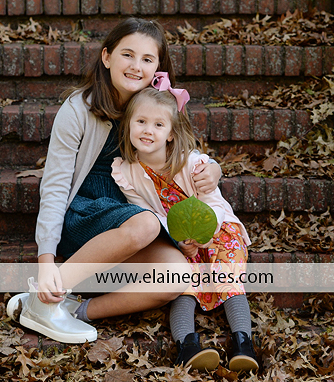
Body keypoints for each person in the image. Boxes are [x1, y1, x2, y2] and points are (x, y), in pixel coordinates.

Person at [6, 18, 222, 344]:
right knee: (146, 224)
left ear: (158, 68)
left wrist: (214, 169)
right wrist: (46, 261)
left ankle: (77, 309)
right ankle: (43, 299)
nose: (136, 66)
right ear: (107, 57)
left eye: (147, 59)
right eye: (127, 55)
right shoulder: (78, 109)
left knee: (178, 274)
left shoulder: (156, 108)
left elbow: (183, 155)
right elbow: (55, 186)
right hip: (84, 214)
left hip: (133, 216)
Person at [111, 81, 259, 372]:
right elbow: (149, 214)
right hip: (177, 239)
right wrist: (177, 240)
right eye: (140, 122)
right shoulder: (126, 172)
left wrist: (206, 233)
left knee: (228, 275)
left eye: (158, 124)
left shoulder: (192, 164)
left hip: (218, 230)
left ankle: (244, 343)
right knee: (183, 282)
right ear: (128, 125)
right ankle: (187, 346)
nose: (148, 130)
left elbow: (215, 204)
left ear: (170, 134)